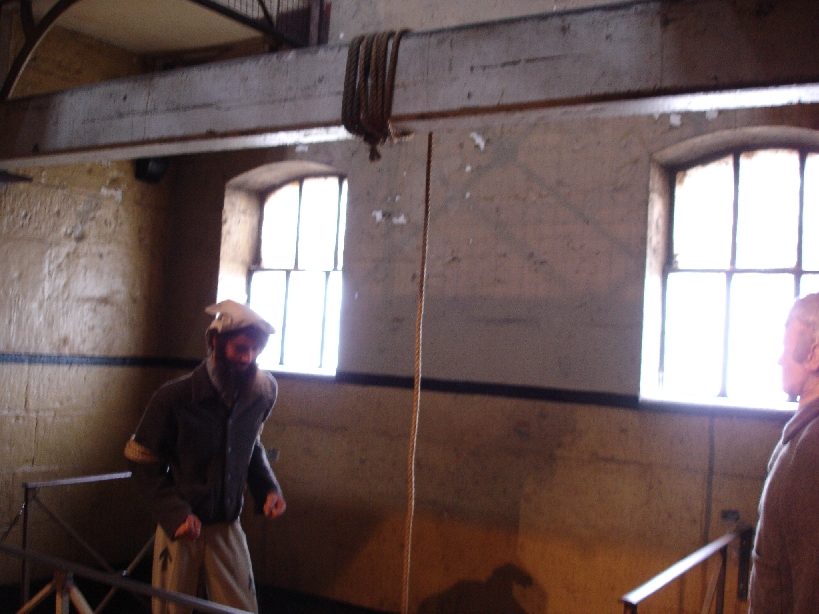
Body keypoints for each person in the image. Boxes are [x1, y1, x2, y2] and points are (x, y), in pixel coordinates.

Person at [124, 300, 286, 614]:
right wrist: (174, 513)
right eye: (240, 349)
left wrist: (267, 488)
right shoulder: (173, 397)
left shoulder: (262, 392)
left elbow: (250, 445)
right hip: (180, 528)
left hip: (227, 525)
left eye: (255, 350)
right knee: (172, 610)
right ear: (215, 342)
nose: (248, 358)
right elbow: (141, 460)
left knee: (241, 608)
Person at [749, 292, 819, 613]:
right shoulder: (804, 434)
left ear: (814, 354)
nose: (779, 359)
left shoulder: (812, 449)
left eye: (786, 347)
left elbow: (811, 584)